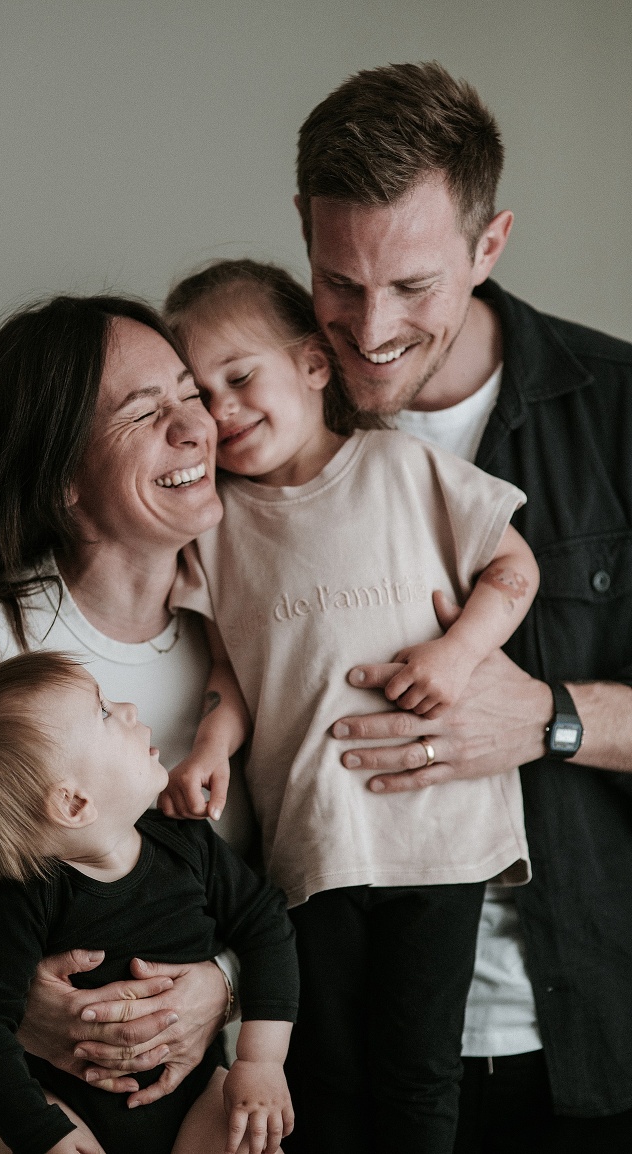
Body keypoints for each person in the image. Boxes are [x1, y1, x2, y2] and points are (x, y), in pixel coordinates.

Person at [293, 61, 632, 1153]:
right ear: (303, 228)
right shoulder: (258, 429)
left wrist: (549, 719)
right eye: (339, 281)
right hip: (329, 1055)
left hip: (586, 1052)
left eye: (413, 286)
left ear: (490, 245)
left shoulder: (620, 412)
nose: (370, 328)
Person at [158, 257, 539, 1154]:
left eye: (239, 377)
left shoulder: (403, 467)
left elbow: (514, 568)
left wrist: (458, 653)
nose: (221, 410)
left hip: (437, 831)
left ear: (313, 364)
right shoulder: (218, 525)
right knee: (322, 1075)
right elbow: (231, 670)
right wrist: (211, 744)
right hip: (313, 832)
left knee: (418, 1074)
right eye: (200, 394)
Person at [0, 295, 252, 1153]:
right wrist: (1, 1002)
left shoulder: (243, 642)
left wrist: (222, 988)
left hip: (184, 1097)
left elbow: (277, 886)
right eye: (144, 413)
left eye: (190, 394)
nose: (197, 426)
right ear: (61, 480)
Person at [0, 651, 297, 1154]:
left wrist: (261, 1060)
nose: (130, 709)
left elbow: (266, 924)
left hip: (195, 1097)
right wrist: (40, 1132)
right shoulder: (26, 901)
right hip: (70, 1114)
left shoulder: (188, 845)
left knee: (248, 1138)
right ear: (74, 804)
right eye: (105, 712)